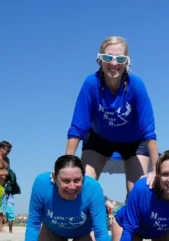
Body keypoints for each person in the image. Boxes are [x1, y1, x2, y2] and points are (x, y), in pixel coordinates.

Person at [66, 36, 159, 193]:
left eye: (120, 59)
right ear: (100, 61)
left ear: (127, 62)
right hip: (99, 138)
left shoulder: (136, 84)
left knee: (138, 189)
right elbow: (77, 127)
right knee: (84, 184)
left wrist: (157, 171)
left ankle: (129, 217)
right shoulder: (91, 83)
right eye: (108, 57)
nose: (114, 63)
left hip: (134, 141)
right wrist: (67, 164)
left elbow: (148, 130)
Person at [22, 155, 110, 241]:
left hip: (84, 233)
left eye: (77, 180)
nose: (72, 186)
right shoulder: (41, 184)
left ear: (84, 178)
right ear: (54, 177)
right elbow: (33, 223)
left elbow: (101, 231)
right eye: (66, 181)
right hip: (52, 231)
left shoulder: (93, 188)